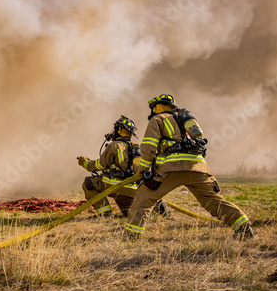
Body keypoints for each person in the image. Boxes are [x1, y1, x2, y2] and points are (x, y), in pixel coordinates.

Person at [124, 94, 254, 240]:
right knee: (213, 200)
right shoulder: (185, 122)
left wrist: (142, 170)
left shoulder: (158, 119)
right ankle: (244, 227)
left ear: (157, 106)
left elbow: (149, 147)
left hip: (173, 167)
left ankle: (131, 236)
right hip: (198, 167)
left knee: (144, 198)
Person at [78, 115, 170, 218]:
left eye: (116, 128)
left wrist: (84, 162)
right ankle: (157, 209)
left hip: (115, 185)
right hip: (133, 188)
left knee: (88, 183)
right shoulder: (136, 147)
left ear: (120, 129)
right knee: (129, 213)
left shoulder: (114, 145)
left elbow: (99, 165)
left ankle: (105, 214)